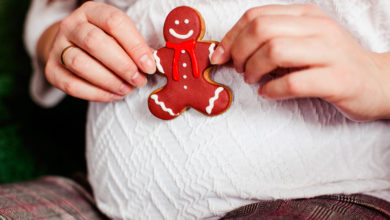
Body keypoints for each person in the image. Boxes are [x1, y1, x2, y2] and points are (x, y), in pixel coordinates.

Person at [24, 0, 390, 219]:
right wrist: (62, 42)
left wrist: (378, 76)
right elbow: (53, 17)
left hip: (329, 194)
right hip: (103, 202)